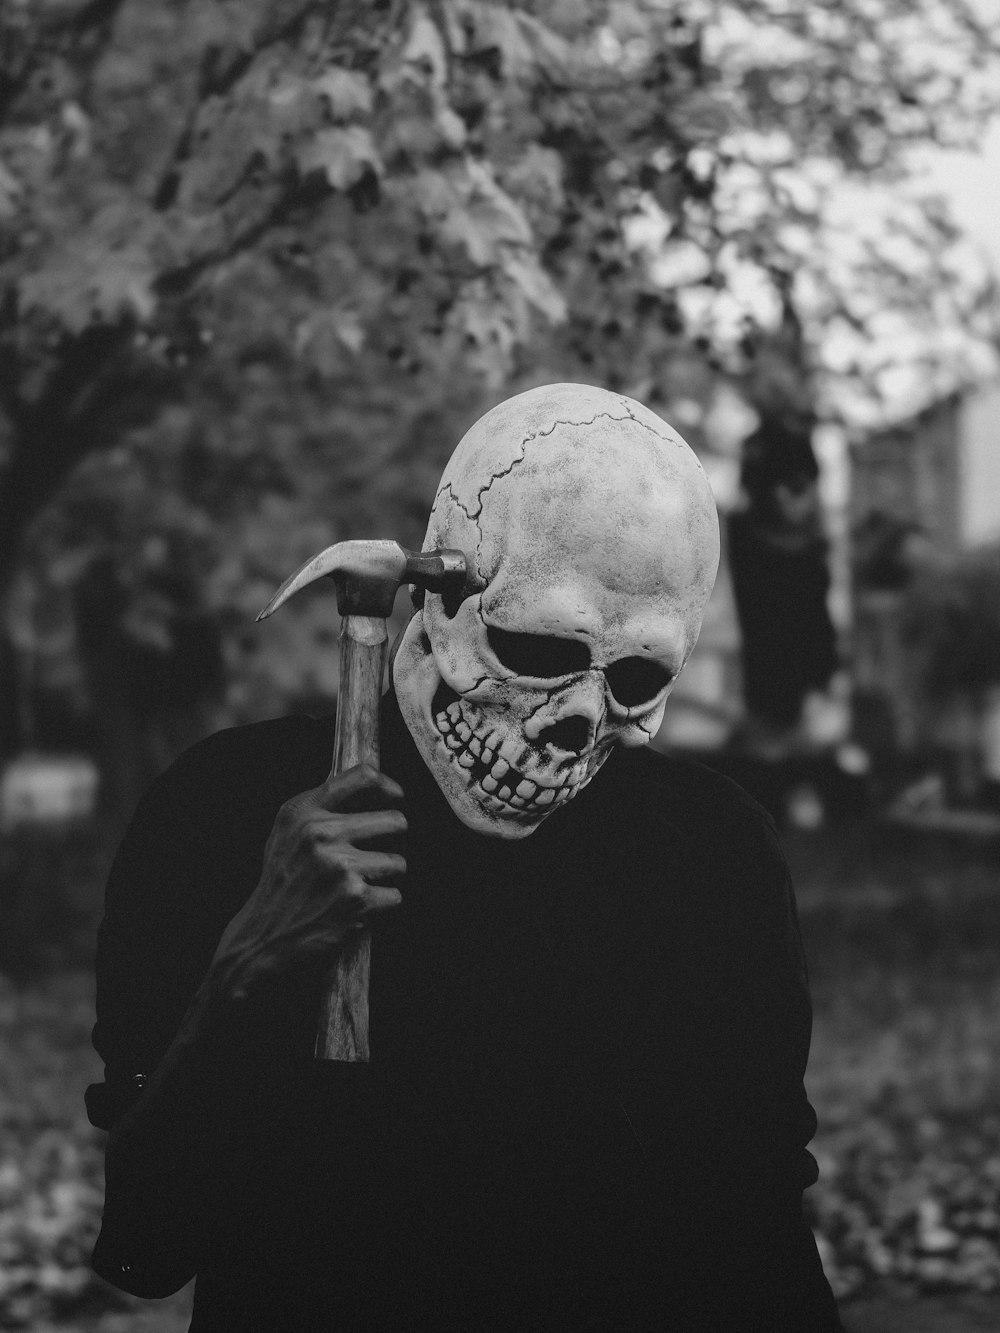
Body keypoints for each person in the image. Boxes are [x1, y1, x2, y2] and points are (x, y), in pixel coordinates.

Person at [87, 384, 843, 1331]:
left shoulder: (711, 857)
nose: (573, 725)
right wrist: (248, 964)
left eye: (639, 677)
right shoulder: (225, 811)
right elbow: (142, 1246)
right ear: (441, 599)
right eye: (534, 646)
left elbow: (757, 1233)